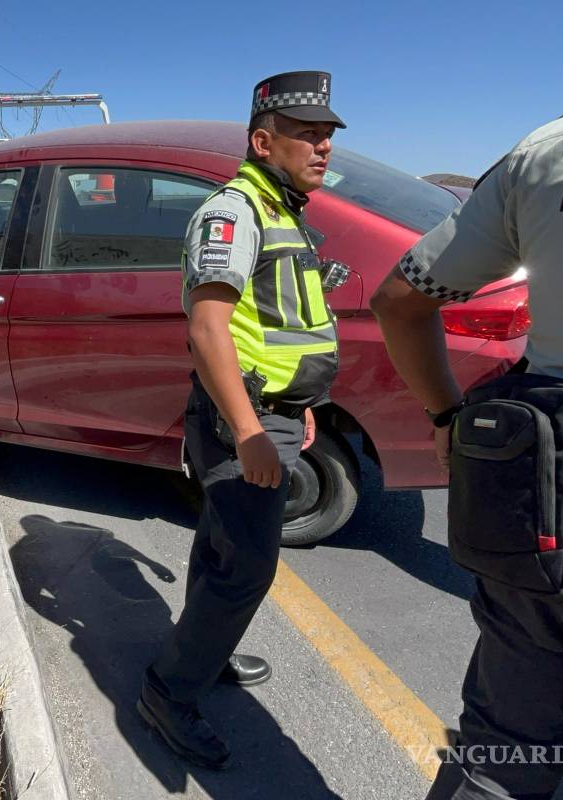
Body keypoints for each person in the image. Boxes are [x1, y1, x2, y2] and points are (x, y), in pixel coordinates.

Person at [370, 84, 563, 798]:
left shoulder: (553, 145)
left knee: (500, 756)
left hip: (537, 506)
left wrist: (445, 418)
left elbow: (398, 299)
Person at [138, 71, 345, 770]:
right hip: (243, 420)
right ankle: (168, 691)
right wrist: (253, 429)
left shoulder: (284, 210)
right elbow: (208, 329)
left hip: (275, 414)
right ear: (263, 142)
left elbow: (283, 322)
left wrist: (301, 407)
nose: (323, 147)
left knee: (223, 546)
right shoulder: (235, 213)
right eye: (307, 134)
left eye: (327, 135)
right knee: (248, 568)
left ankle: (203, 648)